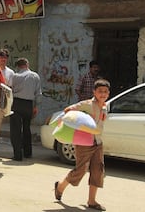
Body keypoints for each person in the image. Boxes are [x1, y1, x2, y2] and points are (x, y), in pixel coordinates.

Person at [54, 79, 111, 211]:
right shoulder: (87, 104)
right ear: (94, 92)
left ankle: (91, 201)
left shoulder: (105, 106)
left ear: (108, 93)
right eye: (100, 91)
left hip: (98, 143)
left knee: (98, 170)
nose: (103, 94)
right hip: (85, 143)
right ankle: (60, 187)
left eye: (105, 92)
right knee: (80, 170)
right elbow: (68, 110)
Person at [9, 58, 41, 160]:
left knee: (16, 130)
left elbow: (9, 90)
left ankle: (17, 154)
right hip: (29, 105)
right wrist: (36, 106)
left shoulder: (14, 76)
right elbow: (38, 93)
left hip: (17, 103)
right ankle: (28, 153)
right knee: (27, 129)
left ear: (18, 66)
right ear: (27, 64)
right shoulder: (35, 76)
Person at [0, 48, 14, 157]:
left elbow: (10, 89)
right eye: (0, 58)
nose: (2, 60)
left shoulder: (10, 73)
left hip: (1, 103)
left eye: (4, 58)